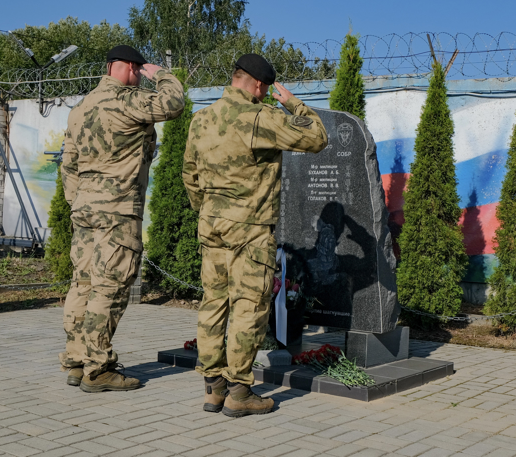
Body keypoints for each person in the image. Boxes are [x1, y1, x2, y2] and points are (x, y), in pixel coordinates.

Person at [183, 53, 328, 417]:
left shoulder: (201, 119)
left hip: (211, 225)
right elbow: (317, 138)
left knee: (213, 303)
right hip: (249, 230)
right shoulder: (260, 116)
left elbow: (190, 175)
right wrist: (293, 103)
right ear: (260, 86)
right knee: (249, 306)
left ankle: (212, 387)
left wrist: (208, 209)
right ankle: (239, 392)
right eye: (265, 91)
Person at [59, 45, 185, 392]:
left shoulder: (80, 108)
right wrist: (160, 73)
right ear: (129, 67)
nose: (139, 75)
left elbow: (67, 163)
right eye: (138, 69)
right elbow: (173, 104)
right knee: (109, 288)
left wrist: (79, 201)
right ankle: (98, 370)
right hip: (118, 212)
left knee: (82, 283)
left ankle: (75, 360)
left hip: (85, 210)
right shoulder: (127, 100)